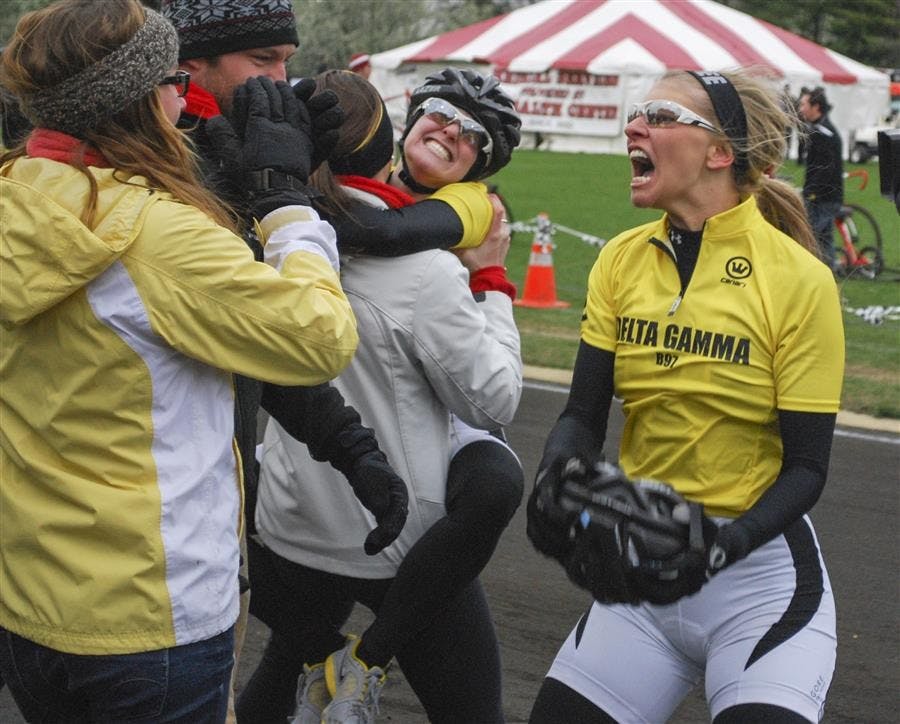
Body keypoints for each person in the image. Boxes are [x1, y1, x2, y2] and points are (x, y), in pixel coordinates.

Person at [0, 0, 359, 721]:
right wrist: (288, 205)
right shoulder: (158, 235)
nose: (183, 97)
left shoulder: (15, 196)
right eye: (172, 81)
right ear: (139, 100)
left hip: (30, 603)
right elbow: (320, 337)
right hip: (152, 617)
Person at [526, 69, 845, 723]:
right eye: (637, 111)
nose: (634, 125)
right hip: (646, 581)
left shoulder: (799, 280)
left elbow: (807, 470)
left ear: (720, 152)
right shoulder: (620, 259)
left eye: (662, 114)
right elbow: (582, 415)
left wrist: (722, 547)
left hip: (760, 588)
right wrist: (554, 478)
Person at [239, 68, 524, 723]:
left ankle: (337, 662)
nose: (451, 132)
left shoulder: (277, 229)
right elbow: (495, 401)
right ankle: (365, 665)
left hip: (291, 529)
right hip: (395, 540)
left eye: (471, 134)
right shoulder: (430, 269)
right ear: (402, 126)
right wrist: (493, 284)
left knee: (284, 671)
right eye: (442, 117)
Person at [798, 86, 844, 270]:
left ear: (815, 107)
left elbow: (826, 169)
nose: (800, 109)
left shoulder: (824, 133)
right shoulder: (819, 129)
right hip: (824, 196)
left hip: (823, 198)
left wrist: (809, 192)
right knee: (824, 241)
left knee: (810, 239)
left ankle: (818, 278)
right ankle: (829, 276)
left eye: (803, 104)